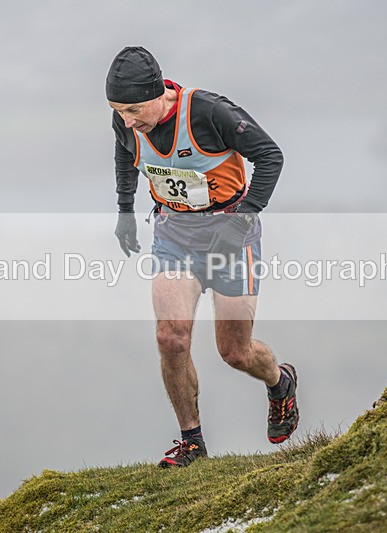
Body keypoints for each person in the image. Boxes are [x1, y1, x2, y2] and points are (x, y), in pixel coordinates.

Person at [106, 46, 298, 468]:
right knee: (170, 338)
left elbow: (270, 156)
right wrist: (124, 210)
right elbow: (125, 153)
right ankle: (192, 441)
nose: (127, 120)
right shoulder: (127, 121)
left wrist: (243, 219)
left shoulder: (208, 112)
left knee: (235, 352)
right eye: (118, 110)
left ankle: (280, 382)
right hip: (173, 235)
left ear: (159, 93)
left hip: (231, 237)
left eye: (134, 109)